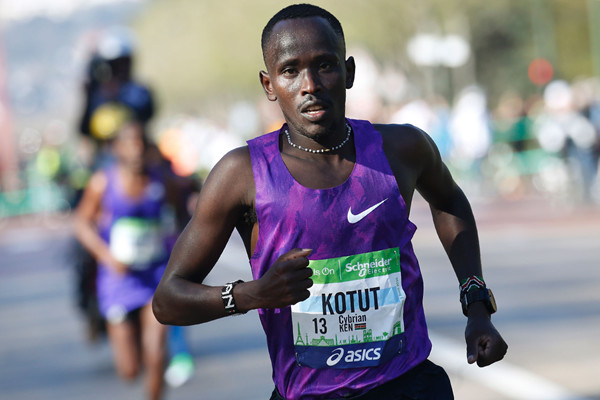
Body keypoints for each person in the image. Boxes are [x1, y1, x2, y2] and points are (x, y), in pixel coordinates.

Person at [152, 4, 508, 400]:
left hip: (408, 384)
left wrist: (477, 303)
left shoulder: (402, 148)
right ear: (269, 84)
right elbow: (168, 300)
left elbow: (449, 201)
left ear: (349, 72)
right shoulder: (242, 174)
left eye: (324, 65)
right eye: (290, 71)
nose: (310, 84)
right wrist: (253, 294)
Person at [74, 118, 187, 400]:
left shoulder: (161, 181)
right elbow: (81, 224)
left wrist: (178, 246)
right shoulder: (103, 182)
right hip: (119, 279)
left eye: (140, 144)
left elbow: (183, 217)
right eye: (129, 144)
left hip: (155, 274)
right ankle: (134, 334)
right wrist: (107, 257)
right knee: (129, 370)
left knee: (156, 353)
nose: (136, 150)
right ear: (118, 149)